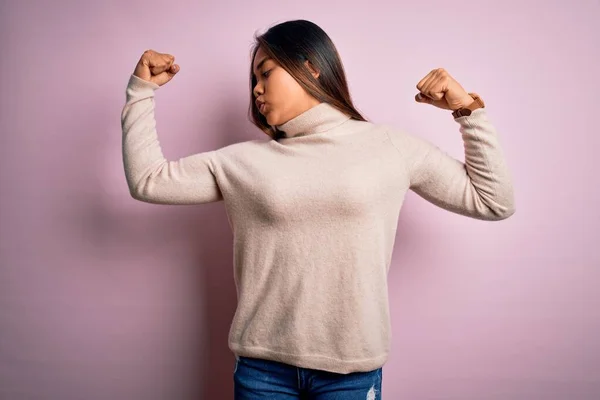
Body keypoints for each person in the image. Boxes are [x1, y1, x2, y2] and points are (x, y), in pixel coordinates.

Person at [120, 19, 515, 400]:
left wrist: (467, 110)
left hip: (352, 372)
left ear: (308, 67)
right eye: (253, 80)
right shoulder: (241, 162)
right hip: (263, 371)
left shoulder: (390, 146)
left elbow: (493, 201)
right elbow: (148, 181)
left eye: (265, 73)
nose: (256, 90)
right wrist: (140, 92)